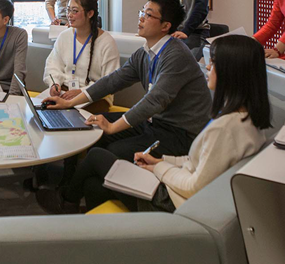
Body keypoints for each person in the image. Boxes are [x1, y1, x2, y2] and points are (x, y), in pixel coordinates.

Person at [37, 35, 270, 214]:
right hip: (176, 185)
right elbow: (199, 162)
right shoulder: (245, 119)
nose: (208, 67)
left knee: (98, 155)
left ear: (232, 72)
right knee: (92, 184)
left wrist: (159, 169)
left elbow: (193, 187)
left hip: (171, 200)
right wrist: (161, 161)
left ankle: (65, 201)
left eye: (214, 63)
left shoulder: (225, 128)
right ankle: (79, 215)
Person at [44, 0, 211, 159]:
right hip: (154, 123)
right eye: (142, 12)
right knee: (89, 127)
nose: (141, 19)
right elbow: (112, 81)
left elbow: (154, 101)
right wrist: (70, 103)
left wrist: (112, 127)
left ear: (165, 26)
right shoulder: (144, 53)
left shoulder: (177, 55)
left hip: (180, 133)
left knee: (114, 150)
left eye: (148, 15)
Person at [43, 0, 120, 115]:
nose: (69, 15)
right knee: (43, 109)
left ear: (90, 13)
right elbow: (53, 65)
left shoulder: (106, 42)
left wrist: (82, 92)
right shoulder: (64, 36)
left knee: (69, 114)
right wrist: (54, 84)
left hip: (95, 97)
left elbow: (110, 81)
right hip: (65, 92)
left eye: (75, 11)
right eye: (68, 10)